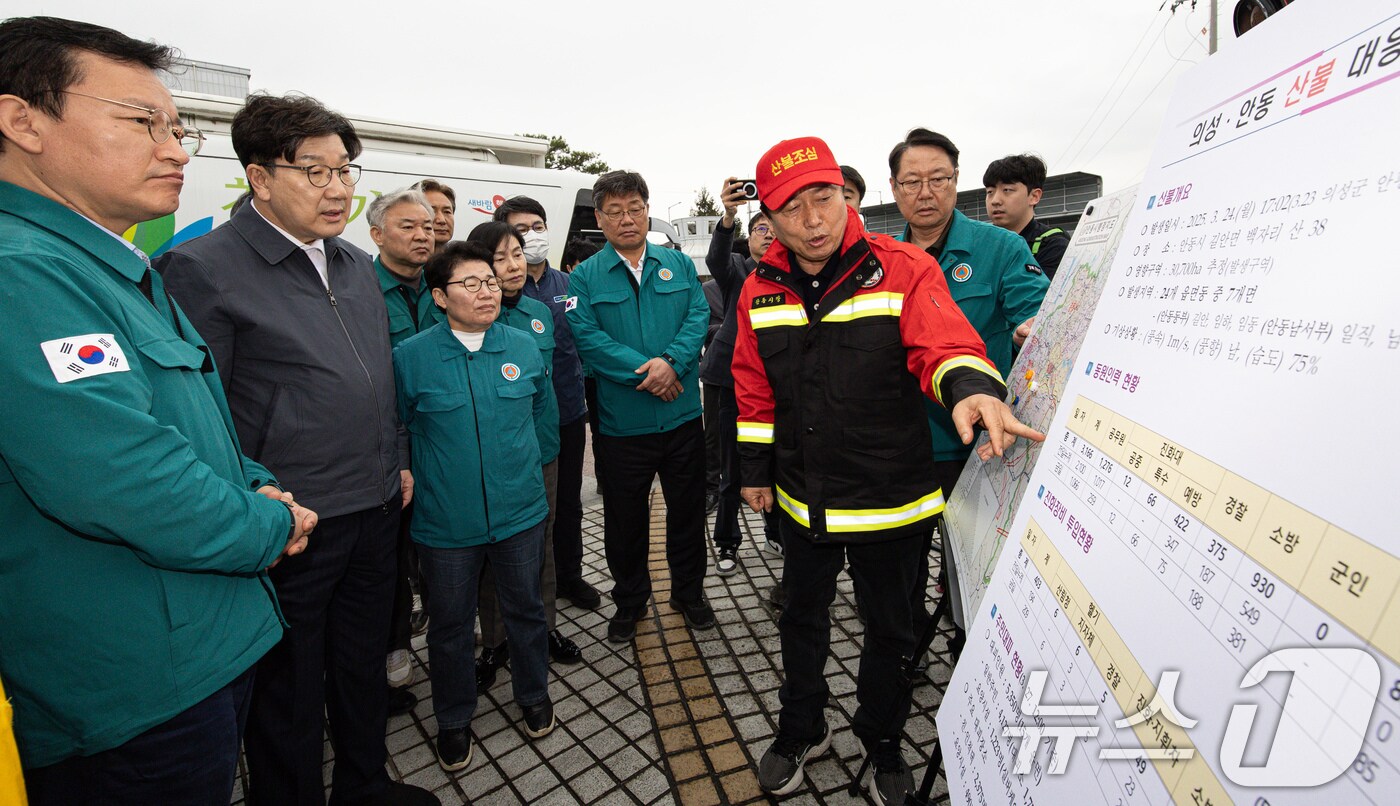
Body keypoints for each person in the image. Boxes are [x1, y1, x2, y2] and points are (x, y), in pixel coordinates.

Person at [0, 16, 316, 804]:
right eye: (143, 122)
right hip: (136, 688)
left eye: (178, 129)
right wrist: (270, 524)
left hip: (198, 647)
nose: (175, 148)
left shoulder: (112, 266)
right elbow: (119, 477)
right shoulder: (22, 276)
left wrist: (254, 480)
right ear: (21, 121)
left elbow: (194, 420)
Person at [734, 136, 1043, 804]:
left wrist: (973, 388)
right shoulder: (758, 288)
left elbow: (945, 342)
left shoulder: (901, 266)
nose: (815, 220)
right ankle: (801, 725)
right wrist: (753, 471)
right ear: (770, 216)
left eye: (827, 198)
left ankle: (882, 740)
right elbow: (753, 387)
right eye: (793, 207)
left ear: (849, 197)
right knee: (801, 619)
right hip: (803, 499)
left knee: (892, 632)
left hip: (891, 500)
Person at [158, 94, 435, 806]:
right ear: (259, 176)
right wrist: (257, 506)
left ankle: (365, 787)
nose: (338, 188)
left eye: (345, 170)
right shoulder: (202, 269)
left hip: (375, 507)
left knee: (362, 668)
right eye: (314, 171)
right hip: (295, 525)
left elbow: (380, 377)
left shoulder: (352, 263)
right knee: (287, 694)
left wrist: (396, 456)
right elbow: (198, 415)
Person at [396, 240, 556, 772]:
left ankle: (533, 694)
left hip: (520, 514)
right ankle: (453, 718)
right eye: (472, 284)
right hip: (445, 523)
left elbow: (540, 414)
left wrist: (525, 473)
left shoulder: (522, 346)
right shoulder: (410, 358)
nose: (487, 291)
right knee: (449, 625)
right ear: (439, 297)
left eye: (490, 281)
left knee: (526, 611)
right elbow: (397, 429)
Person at [889, 128, 1050, 639]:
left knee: (974, 563)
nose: (925, 191)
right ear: (893, 189)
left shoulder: (998, 247)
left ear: (957, 182)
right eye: (911, 181)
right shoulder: (881, 260)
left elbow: (1039, 315)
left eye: (938, 178)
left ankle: (970, 650)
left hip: (976, 444)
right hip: (902, 444)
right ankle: (903, 651)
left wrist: (1034, 329)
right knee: (899, 568)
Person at [566, 170, 713, 643]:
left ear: (647, 210)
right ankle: (630, 601)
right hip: (622, 426)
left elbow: (698, 316)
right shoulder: (585, 277)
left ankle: (689, 594)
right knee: (624, 522)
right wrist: (652, 374)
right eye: (614, 211)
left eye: (634, 208)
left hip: (683, 418)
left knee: (688, 514)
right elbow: (587, 339)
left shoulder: (679, 264)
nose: (626, 219)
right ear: (600, 219)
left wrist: (671, 363)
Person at [464, 220, 585, 690]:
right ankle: (495, 640)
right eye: (500, 257)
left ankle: (545, 628)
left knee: (543, 544)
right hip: (492, 457)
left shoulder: (539, 311)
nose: (513, 264)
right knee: (496, 550)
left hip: (544, 449)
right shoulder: (471, 317)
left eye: (517, 253)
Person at [493, 196, 600, 611]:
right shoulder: (496, 294)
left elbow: (585, 345)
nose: (532, 236)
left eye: (539, 225)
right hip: (516, 421)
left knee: (568, 501)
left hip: (568, 412)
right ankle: (520, 594)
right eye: (521, 230)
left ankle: (568, 577)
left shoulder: (568, 286)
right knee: (524, 511)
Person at [368, 187, 436, 695]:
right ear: (376, 234)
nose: (421, 236)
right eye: (408, 226)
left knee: (442, 539)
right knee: (389, 554)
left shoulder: (442, 284)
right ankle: (394, 640)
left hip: (440, 441)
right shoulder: (356, 289)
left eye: (428, 227)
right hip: (384, 446)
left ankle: (444, 618)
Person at [704, 178, 781, 579]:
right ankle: (727, 541)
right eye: (760, 230)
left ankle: (775, 530)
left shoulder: (793, 272)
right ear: (749, 238)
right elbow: (717, 259)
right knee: (732, 467)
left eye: (774, 229)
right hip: (735, 384)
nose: (767, 237)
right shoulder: (737, 270)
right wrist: (730, 216)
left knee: (779, 466)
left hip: (781, 385)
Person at [984, 154, 1070, 280]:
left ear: (1034, 196)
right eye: (990, 192)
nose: (995, 200)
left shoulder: (1053, 247)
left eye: (1007, 190)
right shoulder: (979, 244)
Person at [701, 274, 724, 514]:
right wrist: (728, 327)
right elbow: (701, 328)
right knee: (713, 433)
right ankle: (711, 488)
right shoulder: (708, 290)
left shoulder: (759, 282)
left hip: (757, 371)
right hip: (718, 371)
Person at [413, 178, 456, 251]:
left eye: (447, 212)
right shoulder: (399, 261)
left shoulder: (460, 261)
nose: (442, 220)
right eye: (431, 211)